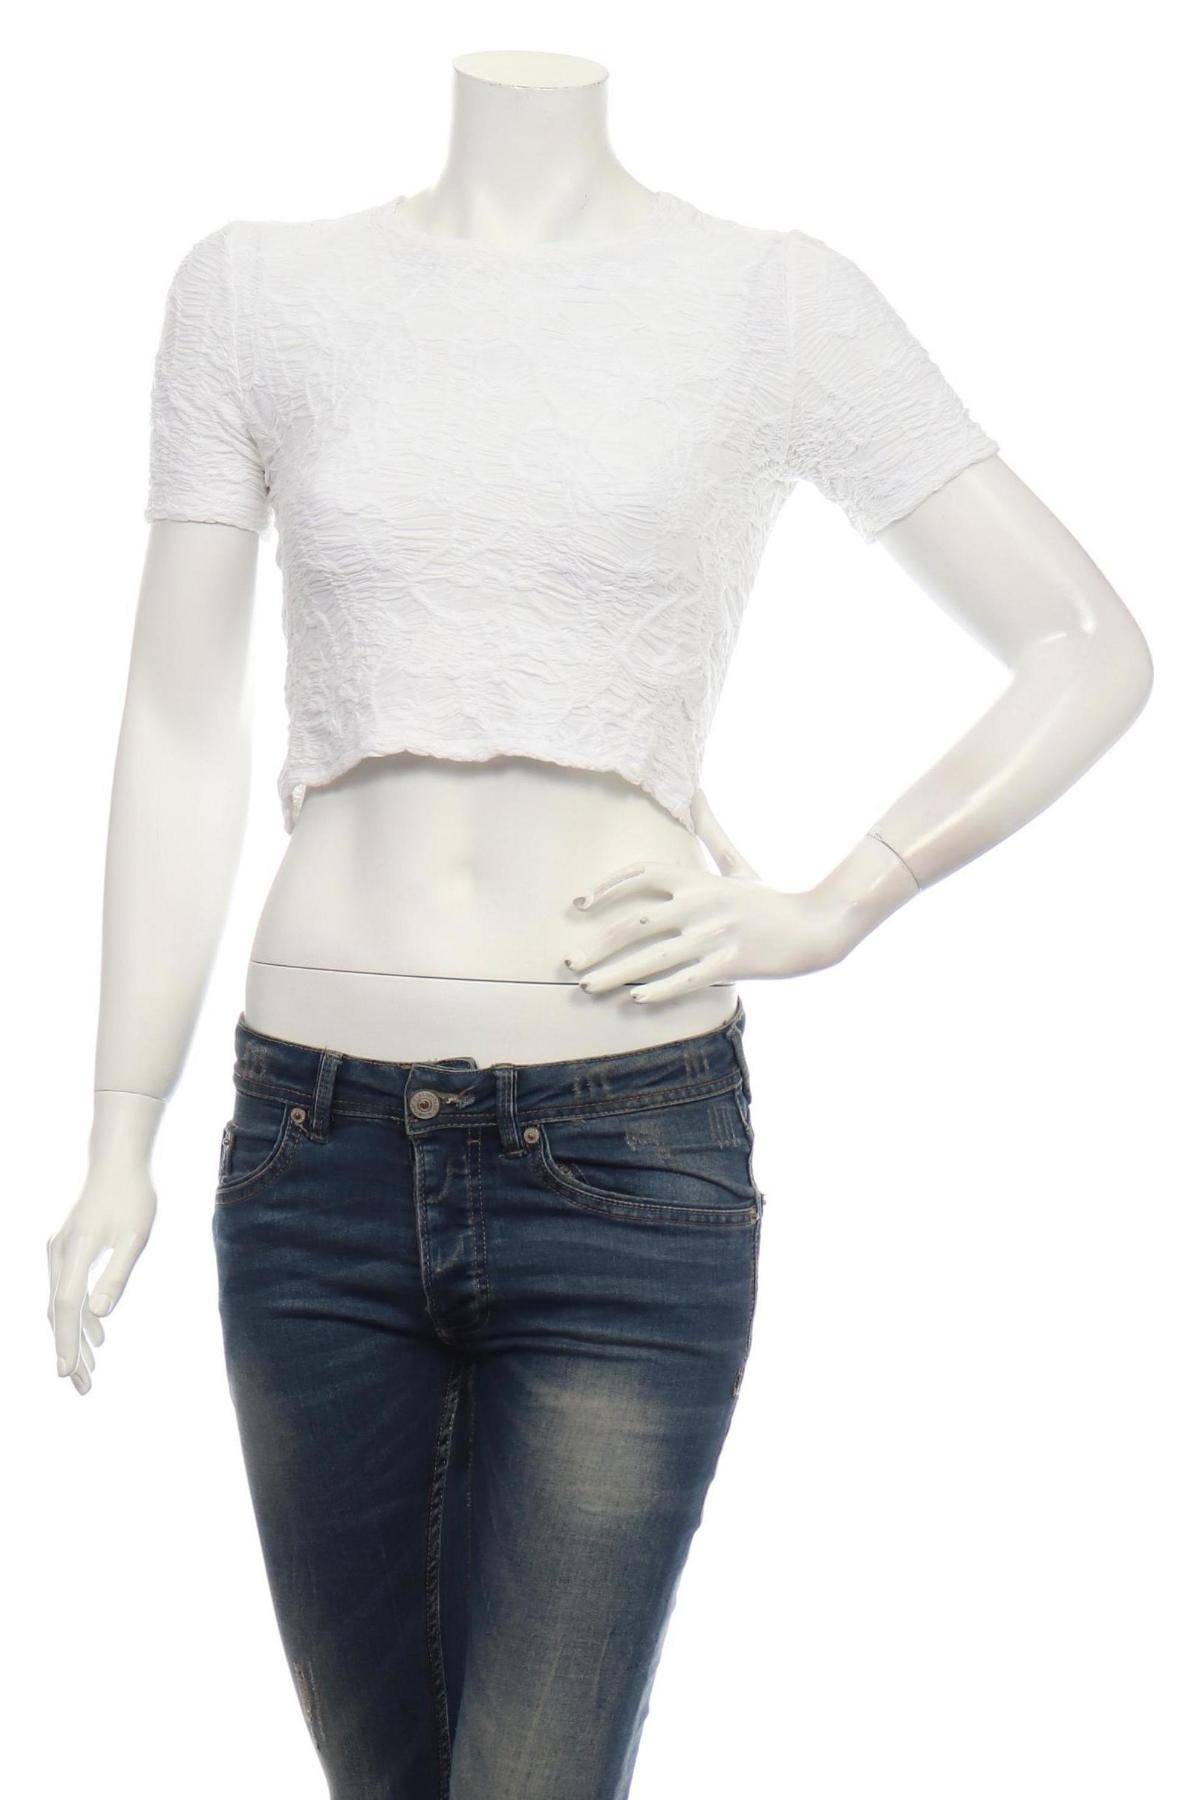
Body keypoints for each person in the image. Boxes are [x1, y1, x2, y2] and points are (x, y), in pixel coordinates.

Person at [46, 47, 1152, 1800]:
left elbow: (1087, 648)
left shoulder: (772, 303)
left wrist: (842, 900)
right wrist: (123, 1128)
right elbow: (179, 721)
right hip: (308, 1156)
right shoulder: (254, 292)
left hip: (623, 1157)